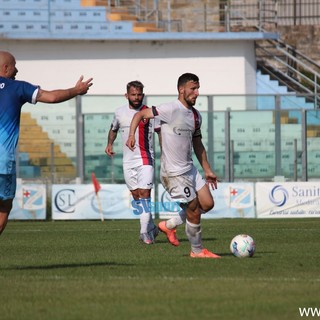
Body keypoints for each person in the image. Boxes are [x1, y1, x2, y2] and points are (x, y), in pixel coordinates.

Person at [126, 73, 221, 258]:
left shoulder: (195, 116)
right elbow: (140, 114)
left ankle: (168, 225)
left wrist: (207, 169)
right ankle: (197, 251)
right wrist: (131, 135)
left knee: (207, 204)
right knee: (193, 210)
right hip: (174, 173)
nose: (197, 93)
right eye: (193, 89)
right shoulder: (169, 109)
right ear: (181, 90)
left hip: (190, 169)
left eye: (198, 88)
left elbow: (198, 144)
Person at [0, 50, 93, 235]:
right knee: (4, 207)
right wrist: (76, 90)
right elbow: (52, 97)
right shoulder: (17, 87)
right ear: (5, 67)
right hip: (3, 162)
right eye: (14, 65)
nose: (17, 70)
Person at [105, 80, 159, 245]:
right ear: (126, 95)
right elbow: (113, 129)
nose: (136, 98)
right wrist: (109, 144)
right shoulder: (119, 112)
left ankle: (144, 232)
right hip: (127, 161)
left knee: (145, 194)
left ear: (143, 94)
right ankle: (152, 228)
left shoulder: (150, 112)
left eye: (139, 94)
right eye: (133, 95)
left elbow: (160, 132)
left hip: (145, 159)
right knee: (136, 196)